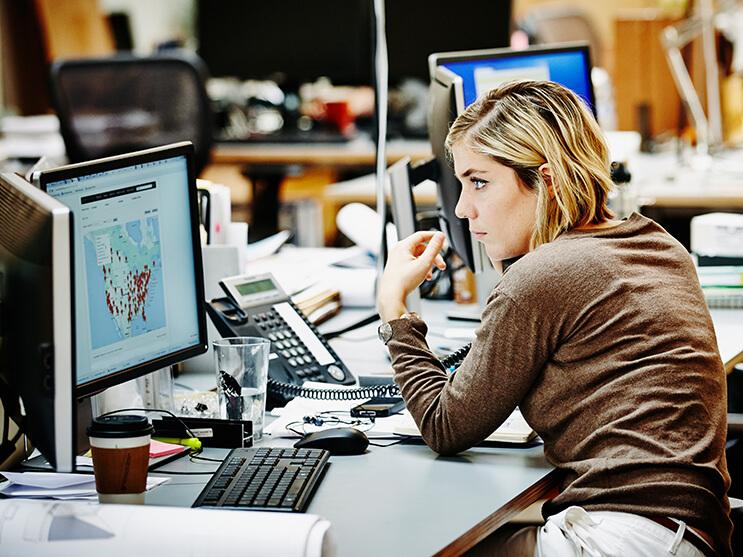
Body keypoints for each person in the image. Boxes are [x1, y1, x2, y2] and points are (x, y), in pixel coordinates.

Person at [376, 80, 732, 556]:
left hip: (624, 540)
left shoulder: (545, 275)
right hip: (690, 537)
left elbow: (446, 426)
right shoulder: (658, 244)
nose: (462, 208)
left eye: (479, 182)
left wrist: (394, 308)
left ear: (545, 181)